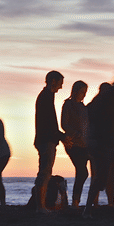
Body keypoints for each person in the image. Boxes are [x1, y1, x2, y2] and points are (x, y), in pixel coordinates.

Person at [83, 71, 114, 218]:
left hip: (109, 142)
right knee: (101, 178)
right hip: (103, 143)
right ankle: (87, 209)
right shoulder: (107, 96)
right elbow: (93, 113)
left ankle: (104, 190)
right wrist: (96, 136)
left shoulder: (113, 97)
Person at [34, 71, 66, 213]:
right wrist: (61, 136)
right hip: (46, 140)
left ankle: (40, 205)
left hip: (46, 139)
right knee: (45, 172)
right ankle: (40, 206)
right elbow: (49, 123)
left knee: (45, 171)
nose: (61, 87)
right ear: (53, 81)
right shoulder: (45, 97)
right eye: (60, 83)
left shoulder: (47, 96)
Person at [62, 80, 91, 208]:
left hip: (85, 144)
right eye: (81, 92)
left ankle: (77, 201)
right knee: (82, 171)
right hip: (73, 143)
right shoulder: (68, 105)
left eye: (85, 92)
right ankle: (75, 201)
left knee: (82, 172)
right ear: (75, 91)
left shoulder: (84, 108)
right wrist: (76, 133)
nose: (83, 95)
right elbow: (64, 124)